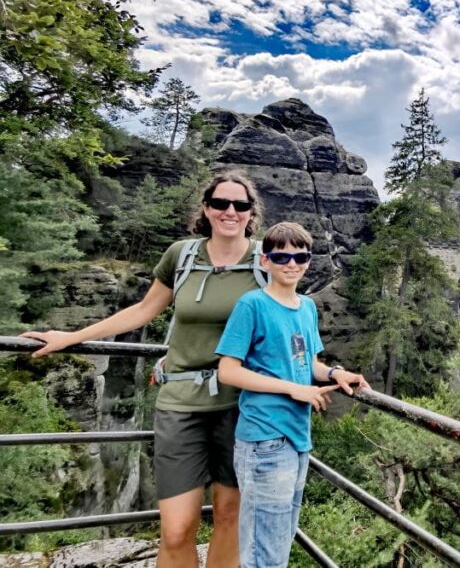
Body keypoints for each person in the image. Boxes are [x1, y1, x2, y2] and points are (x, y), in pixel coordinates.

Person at [22, 170, 268, 568]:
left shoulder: (265, 261)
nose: (230, 211)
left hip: (242, 406)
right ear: (206, 209)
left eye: (240, 205)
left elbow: (291, 323)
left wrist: (326, 372)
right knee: (175, 530)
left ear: (250, 212)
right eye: (220, 203)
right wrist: (71, 336)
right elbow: (143, 310)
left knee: (229, 516)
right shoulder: (182, 255)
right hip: (180, 404)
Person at [215, 221, 370, 568]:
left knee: (280, 541)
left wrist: (335, 373)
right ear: (265, 261)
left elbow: (307, 363)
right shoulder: (251, 305)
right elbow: (228, 371)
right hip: (264, 439)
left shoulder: (307, 307)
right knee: (263, 552)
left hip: (298, 440)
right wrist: (292, 388)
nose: (291, 264)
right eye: (281, 256)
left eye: (300, 256)